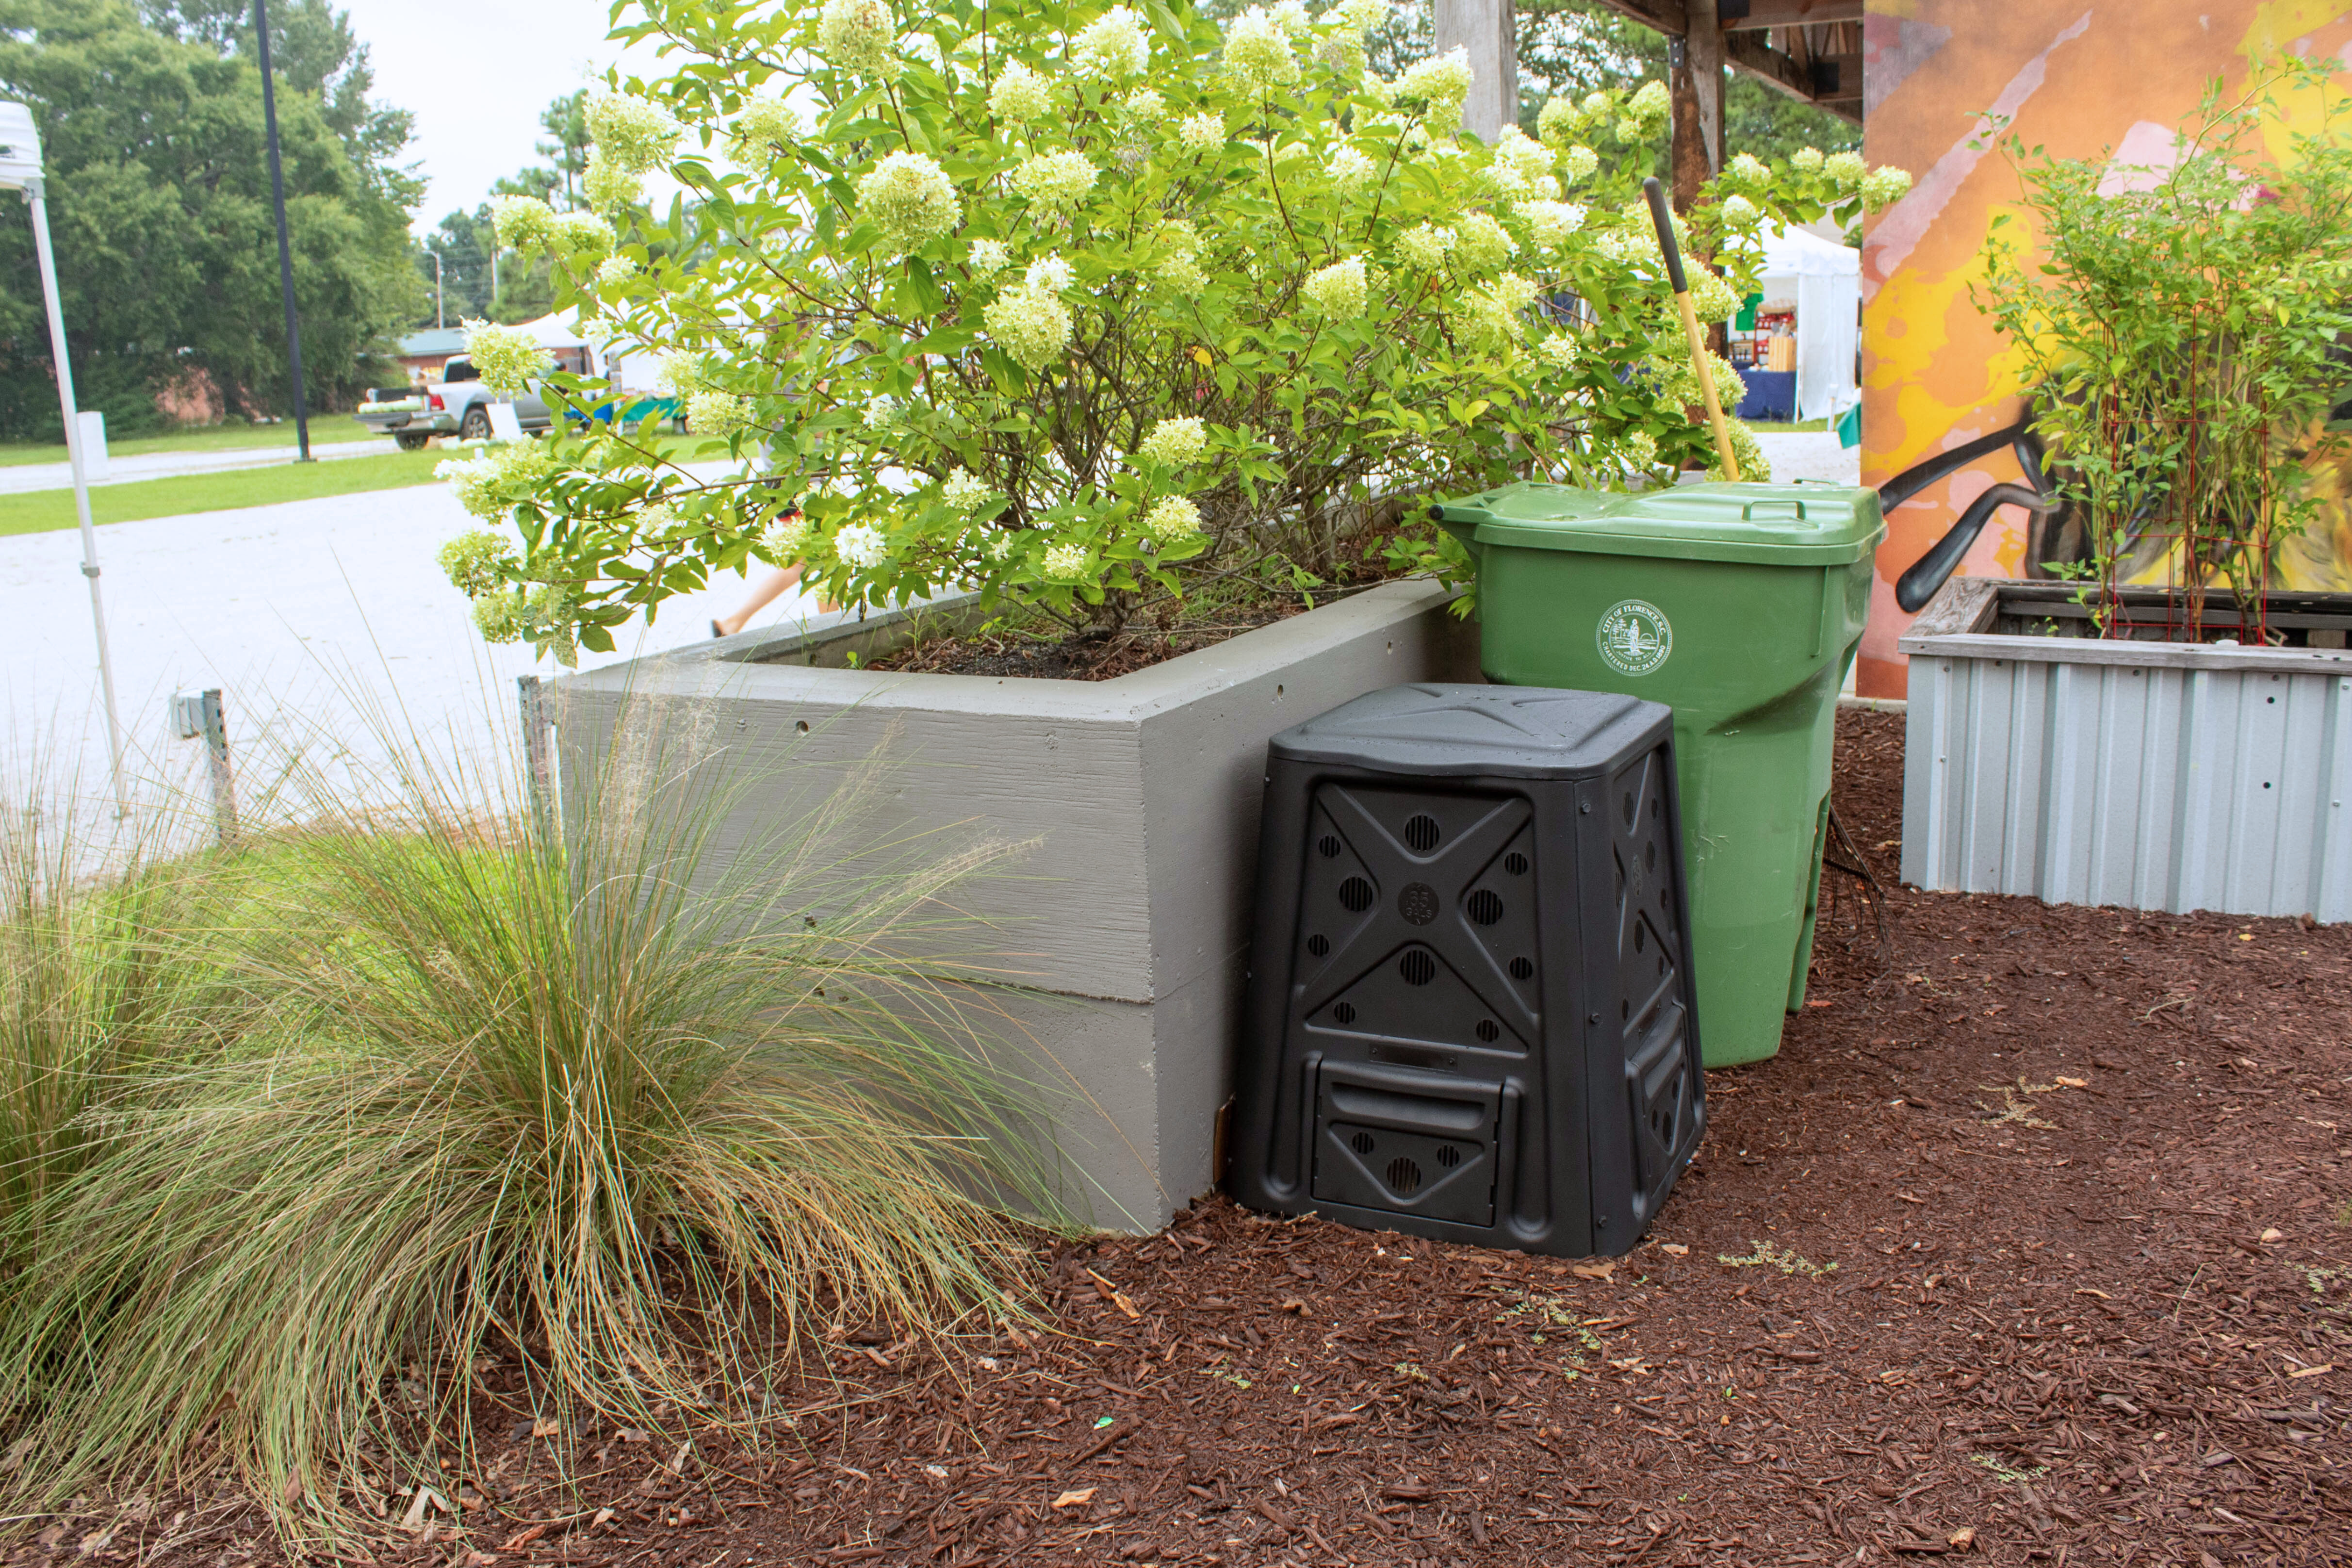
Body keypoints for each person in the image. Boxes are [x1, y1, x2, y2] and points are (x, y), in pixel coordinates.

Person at [710, 507, 830, 637]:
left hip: (788, 493)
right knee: (824, 555)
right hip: (798, 493)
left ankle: (734, 622)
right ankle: (831, 630)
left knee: (802, 564)